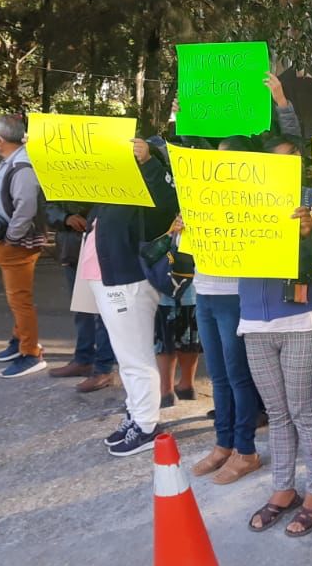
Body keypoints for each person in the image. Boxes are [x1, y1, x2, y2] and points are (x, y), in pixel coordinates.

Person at [186, 72, 299, 486]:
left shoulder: (261, 192)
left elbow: (293, 151)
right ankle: (223, 445)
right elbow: (185, 156)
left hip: (237, 294)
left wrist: (282, 103)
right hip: (205, 290)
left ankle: (246, 450)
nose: (221, 164)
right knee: (217, 375)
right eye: (216, 157)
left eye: (229, 159)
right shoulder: (205, 190)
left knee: (238, 377)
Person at [240, 138, 312, 537]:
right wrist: (187, 232)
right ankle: (283, 489)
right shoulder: (239, 198)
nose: (285, 165)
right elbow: (209, 254)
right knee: (277, 414)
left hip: (303, 321)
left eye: (292, 158)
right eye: (276, 159)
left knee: (305, 412)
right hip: (254, 323)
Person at [79, 137, 179, 457]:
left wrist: (148, 163)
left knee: (135, 357)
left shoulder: (147, 186)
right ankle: (135, 414)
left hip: (128, 282)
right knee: (127, 357)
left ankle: (147, 425)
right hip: (106, 281)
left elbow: (166, 203)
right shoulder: (109, 187)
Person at [0, 115, 48, 378]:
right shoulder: (11, 162)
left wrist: (11, 237)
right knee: (16, 298)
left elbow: (26, 207)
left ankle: (30, 352)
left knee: (20, 299)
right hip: (10, 239)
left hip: (17, 243)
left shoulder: (21, 166)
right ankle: (20, 339)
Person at [45, 201, 116, 391]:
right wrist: (65, 218)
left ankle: (103, 368)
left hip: (100, 245)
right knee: (82, 308)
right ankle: (83, 359)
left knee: (103, 312)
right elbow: (48, 205)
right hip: (72, 249)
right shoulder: (57, 174)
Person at [153, 221, 200, 408]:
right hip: (198, 277)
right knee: (190, 331)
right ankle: (187, 385)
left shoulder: (166, 197)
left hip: (171, 276)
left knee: (166, 332)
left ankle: (166, 391)